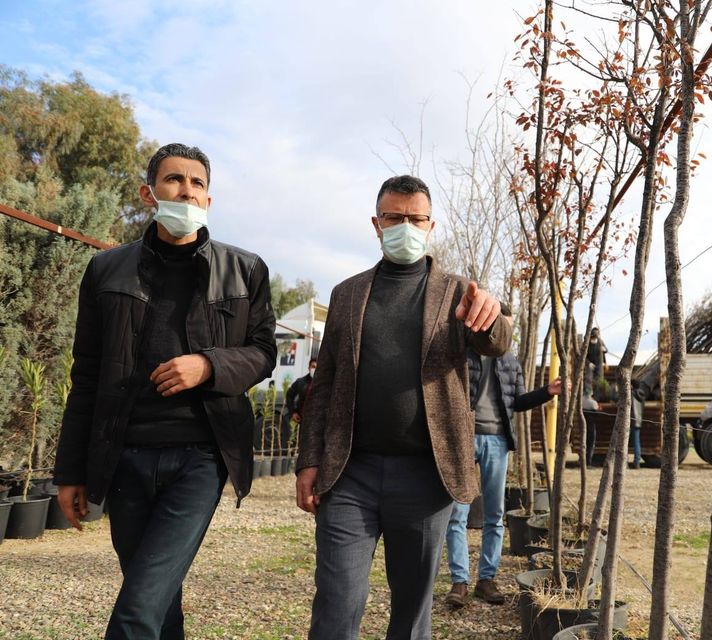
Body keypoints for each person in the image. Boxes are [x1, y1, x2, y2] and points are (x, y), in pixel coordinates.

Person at [53, 143, 277, 639]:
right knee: (158, 600)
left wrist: (210, 365)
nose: (186, 191)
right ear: (149, 192)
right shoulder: (107, 269)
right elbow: (86, 375)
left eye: (197, 183)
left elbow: (264, 351)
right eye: (174, 180)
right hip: (125, 455)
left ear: (208, 201)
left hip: (200, 456)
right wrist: (69, 472)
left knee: (137, 608)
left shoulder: (246, 270)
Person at [295, 175, 510, 640]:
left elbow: (497, 342)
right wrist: (308, 461)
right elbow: (325, 382)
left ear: (431, 225)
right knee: (336, 603)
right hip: (349, 473)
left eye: (416, 218)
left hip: (425, 476)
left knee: (412, 612)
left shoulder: (457, 292)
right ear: (377, 223)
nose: (405, 226)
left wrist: (492, 314)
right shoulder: (347, 294)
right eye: (394, 217)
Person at [445, 321, 563, 608]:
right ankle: (459, 581)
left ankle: (487, 580)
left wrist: (547, 391)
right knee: (457, 512)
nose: (501, 331)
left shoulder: (510, 360)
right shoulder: (462, 353)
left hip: (497, 440)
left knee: (495, 515)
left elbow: (518, 402)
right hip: (464, 438)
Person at [287, 357, 317, 424]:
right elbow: (289, 395)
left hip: (318, 421)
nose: (315, 369)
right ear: (309, 368)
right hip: (303, 420)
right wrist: (293, 412)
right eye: (313, 367)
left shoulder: (324, 383)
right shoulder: (301, 382)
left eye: (317, 367)